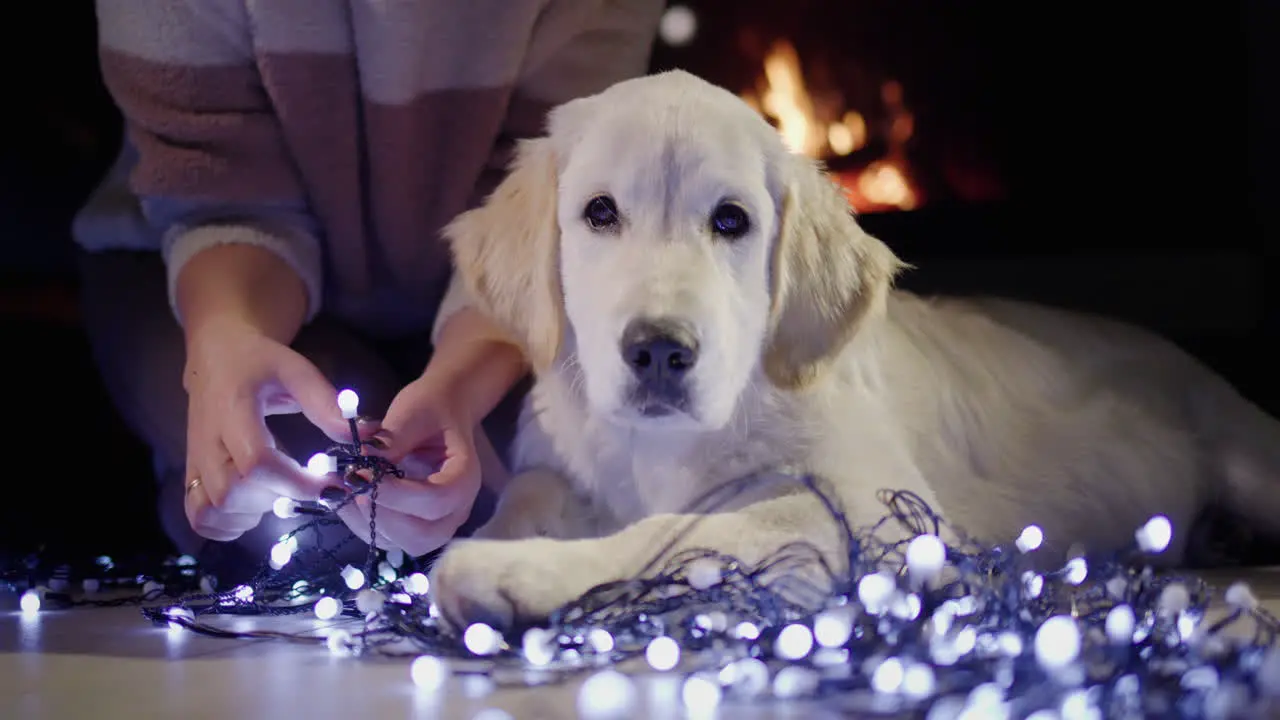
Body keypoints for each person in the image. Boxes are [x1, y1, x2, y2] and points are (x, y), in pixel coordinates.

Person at [73, 0, 665, 582]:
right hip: (196, 265)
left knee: (519, 507)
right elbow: (221, 191)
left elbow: (536, 209)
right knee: (318, 508)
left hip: (505, 292)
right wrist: (226, 340)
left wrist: (459, 389)